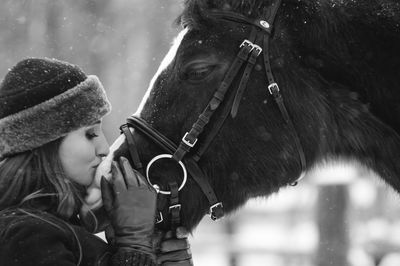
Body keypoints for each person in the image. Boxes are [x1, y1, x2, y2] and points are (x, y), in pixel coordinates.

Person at [0, 58, 192, 266]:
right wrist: (134, 249)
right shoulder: (27, 235)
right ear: (43, 143)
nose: (104, 149)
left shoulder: (56, 228)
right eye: (90, 134)